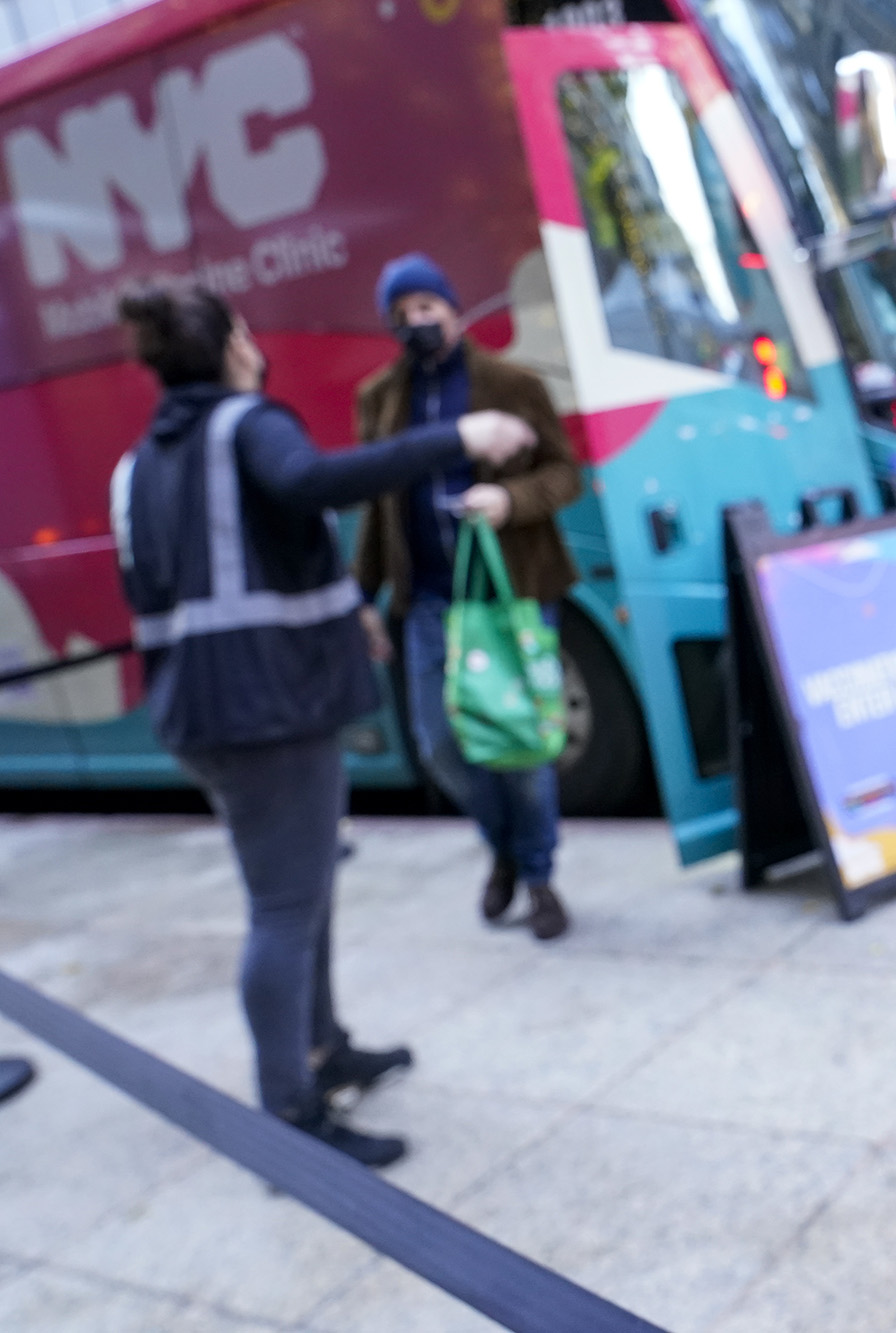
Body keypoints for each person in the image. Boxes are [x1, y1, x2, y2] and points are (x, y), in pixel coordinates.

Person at [111, 280, 537, 1167]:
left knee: (301, 890)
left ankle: (324, 1045)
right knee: (283, 905)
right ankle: (293, 1110)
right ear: (233, 344)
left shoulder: (143, 462)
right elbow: (313, 484)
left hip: (202, 710)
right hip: (267, 708)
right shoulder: (248, 423)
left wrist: (348, 605)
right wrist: (459, 437)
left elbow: (230, 561)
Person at [352, 255, 583, 941]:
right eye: (401, 314)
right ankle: (504, 849)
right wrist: (362, 592)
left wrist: (509, 499)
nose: (416, 322)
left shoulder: (510, 383)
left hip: (512, 595)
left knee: (523, 742)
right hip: (427, 601)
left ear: (453, 307)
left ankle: (537, 875)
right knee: (442, 744)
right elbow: (375, 502)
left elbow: (564, 472)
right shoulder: (380, 399)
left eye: (426, 306)